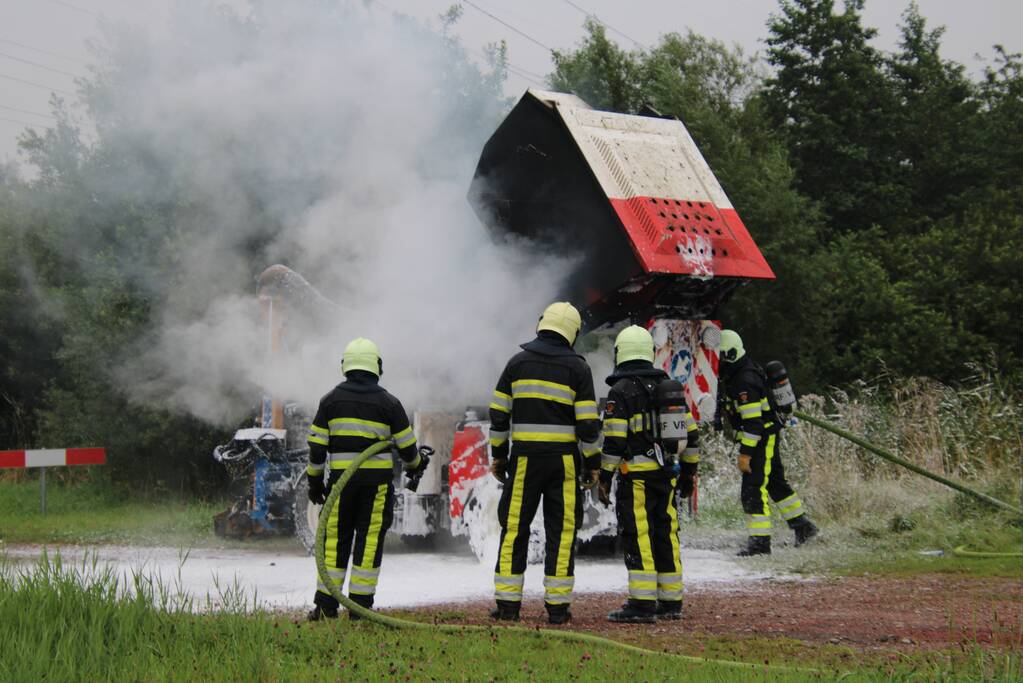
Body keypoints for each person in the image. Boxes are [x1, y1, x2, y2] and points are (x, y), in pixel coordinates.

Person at [488, 302, 602, 625]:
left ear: (542, 324)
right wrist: (592, 464)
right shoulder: (579, 369)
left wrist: (498, 455)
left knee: (514, 529)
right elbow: (588, 425)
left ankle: (508, 606)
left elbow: (498, 415)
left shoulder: (517, 363)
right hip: (563, 463)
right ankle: (558, 609)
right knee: (562, 531)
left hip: (524, 460)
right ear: (573, 332)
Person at [305, 337, 428, 620]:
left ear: (345, 366)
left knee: (334, 539)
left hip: (339, 487)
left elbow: (317, 450)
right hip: (376, 489)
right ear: (377, 367)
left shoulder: (330, 402)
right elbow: (408, 450)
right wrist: (416, 465)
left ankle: (325, 606)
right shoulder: (390, 403)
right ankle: (360, 608)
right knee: (369, 541)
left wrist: (314, 485)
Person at [597, 325, 699, 623]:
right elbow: (691, 435)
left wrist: (605, 476)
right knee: (666, 532)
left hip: (637, 479)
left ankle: (641, 604)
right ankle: (671, 601)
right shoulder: (669, 386)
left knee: (638, 533)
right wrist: (689, 473)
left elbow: (614, 440)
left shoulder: (620, 391)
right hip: (666, 476)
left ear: (621, 353)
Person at [717, 329, 818, 556]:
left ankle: (760, 543)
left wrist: (745, 455)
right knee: (775, 483)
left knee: (753, 488)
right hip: (765, 435)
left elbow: (753, 424)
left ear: (729, 355)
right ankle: (803, 526)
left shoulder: (744, 382)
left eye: (719, 358)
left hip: (761, 439)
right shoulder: (742, 372)